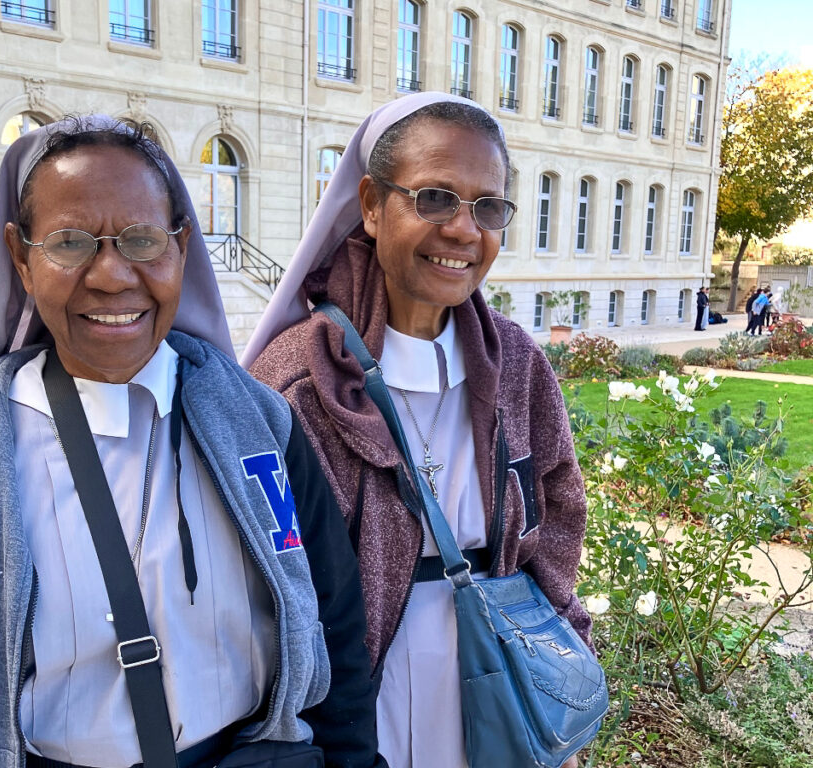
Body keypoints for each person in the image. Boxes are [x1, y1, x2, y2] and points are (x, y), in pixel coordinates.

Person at [0, 116, 384, 768]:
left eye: (143, 240)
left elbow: (334, 627)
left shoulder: (260, 425)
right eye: (70, 243)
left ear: (182, 247)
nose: (113, 276)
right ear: (20, 258)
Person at [243, 92, 590, 768]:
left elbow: (557, 518)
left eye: (487, 207)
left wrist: (560, 682)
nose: (464, 229)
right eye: (434, 198)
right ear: (372, 204)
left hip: (499, 683)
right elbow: (263, 586)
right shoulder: (299, 380)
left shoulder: (516, 363)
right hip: (362, 695)